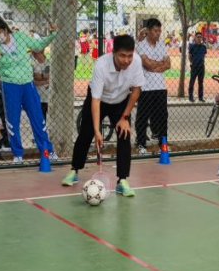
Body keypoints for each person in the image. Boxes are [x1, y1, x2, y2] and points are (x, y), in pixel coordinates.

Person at [61, 34, 143, 196]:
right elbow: (96, 100)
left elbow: (136, 91)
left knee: (124, 134)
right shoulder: (101, 65)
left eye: (129, 56)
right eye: (122, 56)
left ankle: (122, 180)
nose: (126, 60)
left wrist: (124, 118)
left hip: (120, 101)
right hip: (99, 99)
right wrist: (97, 131)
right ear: (114, 53)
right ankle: (74, 170)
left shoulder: (136, 62)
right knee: (86, 133)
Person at [0, 16, 57, 165]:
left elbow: (38, 45)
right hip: (9, 86)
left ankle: (47, 151)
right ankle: (17, 154)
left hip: (27, 84)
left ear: (5, 29)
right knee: (12, 121)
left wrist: (52, 34)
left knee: (37, 118)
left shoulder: (19, 36)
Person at [135, 18, 171, 155]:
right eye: (155, 31)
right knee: (143, 117)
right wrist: (160, 63)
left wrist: (155, 64)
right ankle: (140, 144)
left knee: (162, 117)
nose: (158, 33)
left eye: (159, 31)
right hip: (145, 87)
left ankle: (163, 144)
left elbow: (168, 64)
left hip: (160, 86)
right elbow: (147, 64)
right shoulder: (141, 45)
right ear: (148, 31)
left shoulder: (161, 45)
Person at [187, 32, 208, 102]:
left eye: (200, 37)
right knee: (192, 82)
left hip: (201, 67)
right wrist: (192, 62)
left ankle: (200, 97)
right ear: (195, 38)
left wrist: (200, 61)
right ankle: (190, 97)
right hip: (194, 66)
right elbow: (189, 56)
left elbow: (204, 55)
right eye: (198, 37)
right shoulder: (192, 46)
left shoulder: (204, 47)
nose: (199, 38)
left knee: (201, 83)